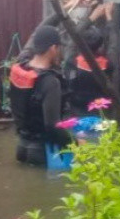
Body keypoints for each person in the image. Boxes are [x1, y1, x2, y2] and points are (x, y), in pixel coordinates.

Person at [9, 24, 74, 165]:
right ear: (53, 48)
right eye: (58, 48)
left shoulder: (20, 66)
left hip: (21, 148)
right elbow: (52, 126)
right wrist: (74, 143)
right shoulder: (50, 82)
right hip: (42, 153)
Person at [68, 3, 119, 116]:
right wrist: (109, 17)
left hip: (77, 113)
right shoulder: (107, 65)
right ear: (100, 45)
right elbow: (113, 45)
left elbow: (73, 38)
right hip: (101, 115)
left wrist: (92, 17)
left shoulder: (72, 62)